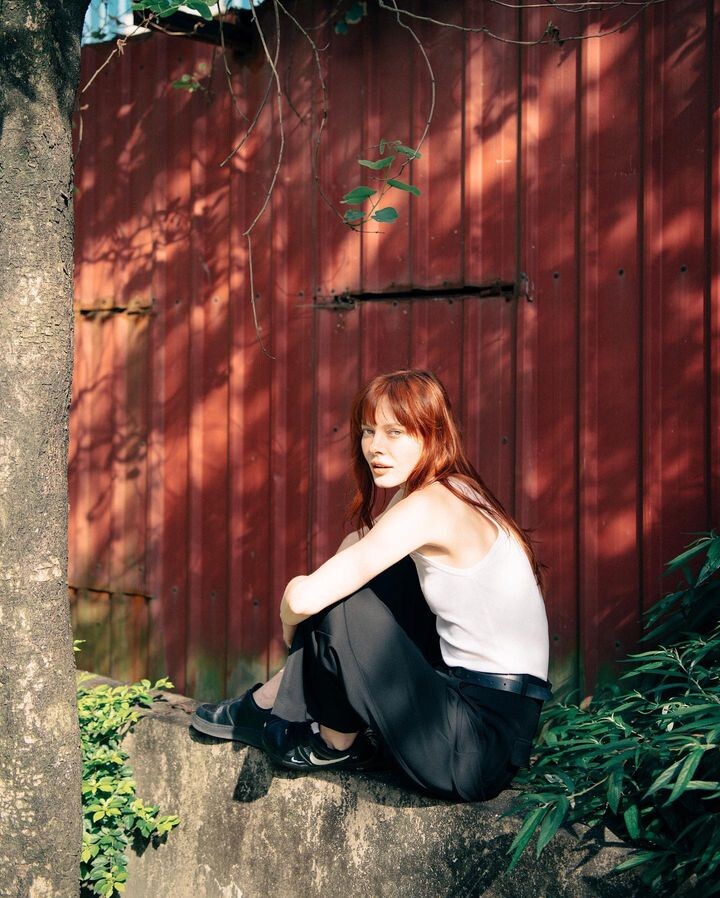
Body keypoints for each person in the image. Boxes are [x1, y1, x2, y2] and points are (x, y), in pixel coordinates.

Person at [191, 369, 550, 802]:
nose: (375, 447)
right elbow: (355, 545)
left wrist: (295, 622)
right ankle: (270, 701)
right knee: (370, 577)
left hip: (474, 744)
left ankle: (333, 743)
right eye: (367, 431)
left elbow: (304, 599)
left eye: (394, 432)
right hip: (483, 729)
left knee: (339, 602)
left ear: (433, 435)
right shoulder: (451, 489)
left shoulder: (433, 505)